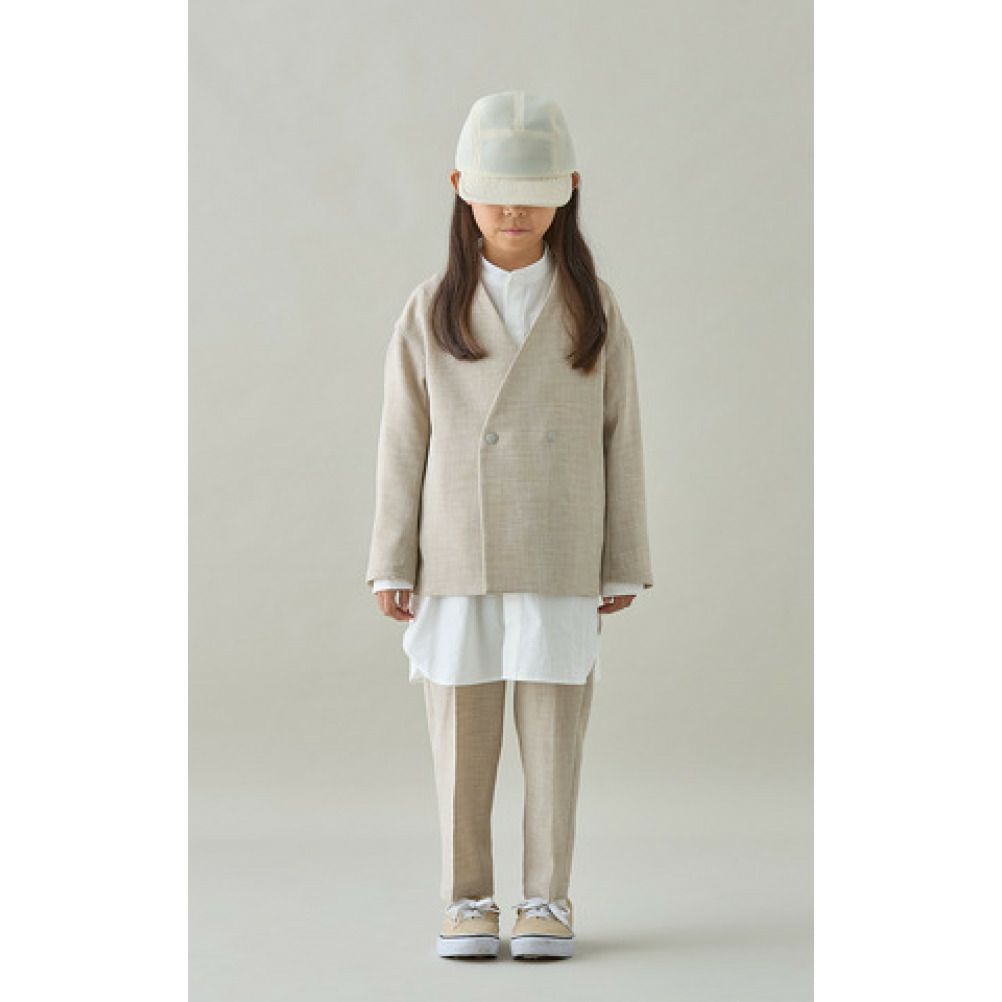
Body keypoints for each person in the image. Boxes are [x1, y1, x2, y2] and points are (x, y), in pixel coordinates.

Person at [364, 90, 654, 960]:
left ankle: (546, 899)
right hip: (458, 549)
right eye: (496, 192)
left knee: (555, 738)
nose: (514, 212)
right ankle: (467, 899)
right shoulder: (431, 308)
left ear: (569, 191)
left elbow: (622, 436)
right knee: (461, 736)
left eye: (533, 193)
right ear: (461, 186)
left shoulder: (593, 306)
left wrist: (621, 560)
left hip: (560, 545)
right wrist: (392, 560)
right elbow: (403, 439)